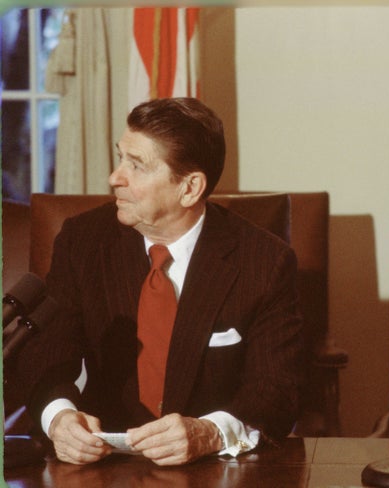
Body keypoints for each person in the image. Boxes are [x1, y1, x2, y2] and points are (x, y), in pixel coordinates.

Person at [18, 97, 305, 465]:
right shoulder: (83, 241)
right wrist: (58, 417)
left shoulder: (264, 262)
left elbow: (278, 390)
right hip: (101, 463)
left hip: (213, 468)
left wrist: (210, 433)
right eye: (121, 157)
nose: (114, 178)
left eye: (136, 166)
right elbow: (47, 353)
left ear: (189, 188)